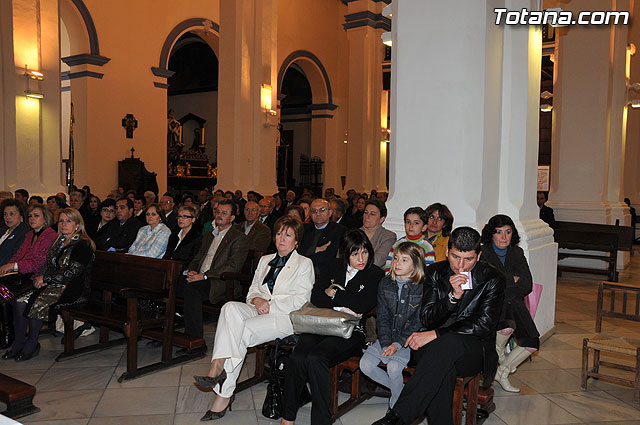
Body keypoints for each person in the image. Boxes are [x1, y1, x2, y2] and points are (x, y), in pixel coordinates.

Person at [372, 227, 505, 425]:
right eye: (455, 257)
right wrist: (452, 298)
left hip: (472, 351)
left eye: (468, 259)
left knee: (447, 345)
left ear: (478, 256)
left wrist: (436, 334)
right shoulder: (434, 273)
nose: (460, 265)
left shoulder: (492, 279)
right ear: (446, 252)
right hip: (433, 350)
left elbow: (483, 326)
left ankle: (397, 417)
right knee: (443, 366)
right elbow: (427, 318)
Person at [193, 216, 314, 421]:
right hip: (257, 308)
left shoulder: (304, 263)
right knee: (229, 308)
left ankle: (223, 393)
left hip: (284, 317)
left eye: (288, 235)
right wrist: (257, 300)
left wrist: (269, 303)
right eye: (278, 233)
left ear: (296, 241)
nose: (281, 239)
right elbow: (252, 291)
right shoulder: (265, 260)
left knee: (240, 332)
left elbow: (300, 301)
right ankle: (218, 365)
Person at [281, 229, 384, 425]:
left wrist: (333, 293)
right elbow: (315, 297)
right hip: (321, 325)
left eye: (365, 252)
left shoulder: (375, 273)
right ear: (345, 254)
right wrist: (342, 305)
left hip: (352, 331)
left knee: (316, 358)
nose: (361, 258)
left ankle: (321, 421)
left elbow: (363, 305)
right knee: (297, 356)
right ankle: (288, 417)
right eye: (355, 254)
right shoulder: (333, 266)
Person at [360, 242, 427, 408]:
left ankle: (396, 406)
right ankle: (403, 392)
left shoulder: (421, 287)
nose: (397, 263)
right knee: (365, 365)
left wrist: (397, 344)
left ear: (415, 265)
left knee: (394, 367)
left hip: (409, 340)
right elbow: (382, 316)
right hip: (387, 336)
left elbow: (417, 321)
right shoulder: (385, 284)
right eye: (396, 258)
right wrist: (385, 342)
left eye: (404, 260)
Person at [480, 214, 539, 393]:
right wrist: (511, 279)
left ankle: (501, 371)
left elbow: (526, 284)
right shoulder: (484, 252)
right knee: (506, 328)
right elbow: (486, 283)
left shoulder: (517, 252)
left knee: (532, 341)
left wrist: (503, 282)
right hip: (495, 305)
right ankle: (494, 363)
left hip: (516, 304)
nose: (503, 237)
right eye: (498, 232)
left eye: (507, 232)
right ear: (491, 234)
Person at [179, 199, 248, 338]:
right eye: (217, 211)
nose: (219, 215)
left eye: (224, 212)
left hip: (220, 281)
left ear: (232, 218)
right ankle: (167, 330)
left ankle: (194, 339)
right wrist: (192, 271)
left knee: (191, 289)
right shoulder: (209, 235)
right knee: (174, 283)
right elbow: (197, 258)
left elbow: (233, 267)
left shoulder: (239, 238)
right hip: (200, 277)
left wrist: (204, 275)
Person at [0, 205, 60, 360]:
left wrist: (13, 266)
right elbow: (20, 253)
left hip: (45, 279)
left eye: (36, 216)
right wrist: (8, 267)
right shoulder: (30, 234)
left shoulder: (49, 235)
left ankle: (31, 343)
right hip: (30, 278)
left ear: (45, 218)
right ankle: (18, 342)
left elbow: (38, 263)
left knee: (23, 302)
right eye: (30, 216)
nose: (32, 219)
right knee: (11, 297)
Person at [0, 200, 30, 349]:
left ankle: (8, 334)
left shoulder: (24, 232)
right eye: (5, 214)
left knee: (2, 294)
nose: (8, 217)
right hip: (3, 274)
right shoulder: (3, 231)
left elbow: (13, 258)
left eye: (12, 214)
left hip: (15, 276)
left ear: (21, 216)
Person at [299, 198, 345, 274]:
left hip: (325, 273)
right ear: (310, 214)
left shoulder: (339, 231)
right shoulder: (304, 229)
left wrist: (307, 253)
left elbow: (329, 256)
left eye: (322, 210)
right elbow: (297, 250)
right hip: (302, 271)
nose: (318, 214)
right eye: (314, 211)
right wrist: (315, 249)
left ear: (330, 212)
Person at [384, 207, 436, 273]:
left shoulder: (427, 246)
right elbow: (388, 266)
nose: (411, 226)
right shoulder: (398, 244)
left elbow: (428, 270)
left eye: (416, 223)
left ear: (424, 227)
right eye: (408, 222)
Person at [361, 199, 396, 268]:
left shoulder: (388, 236)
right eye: (365, 212)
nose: (367, 216)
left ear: (382, 219)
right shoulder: (353, 233)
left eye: (372, 214)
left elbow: (378, 260)